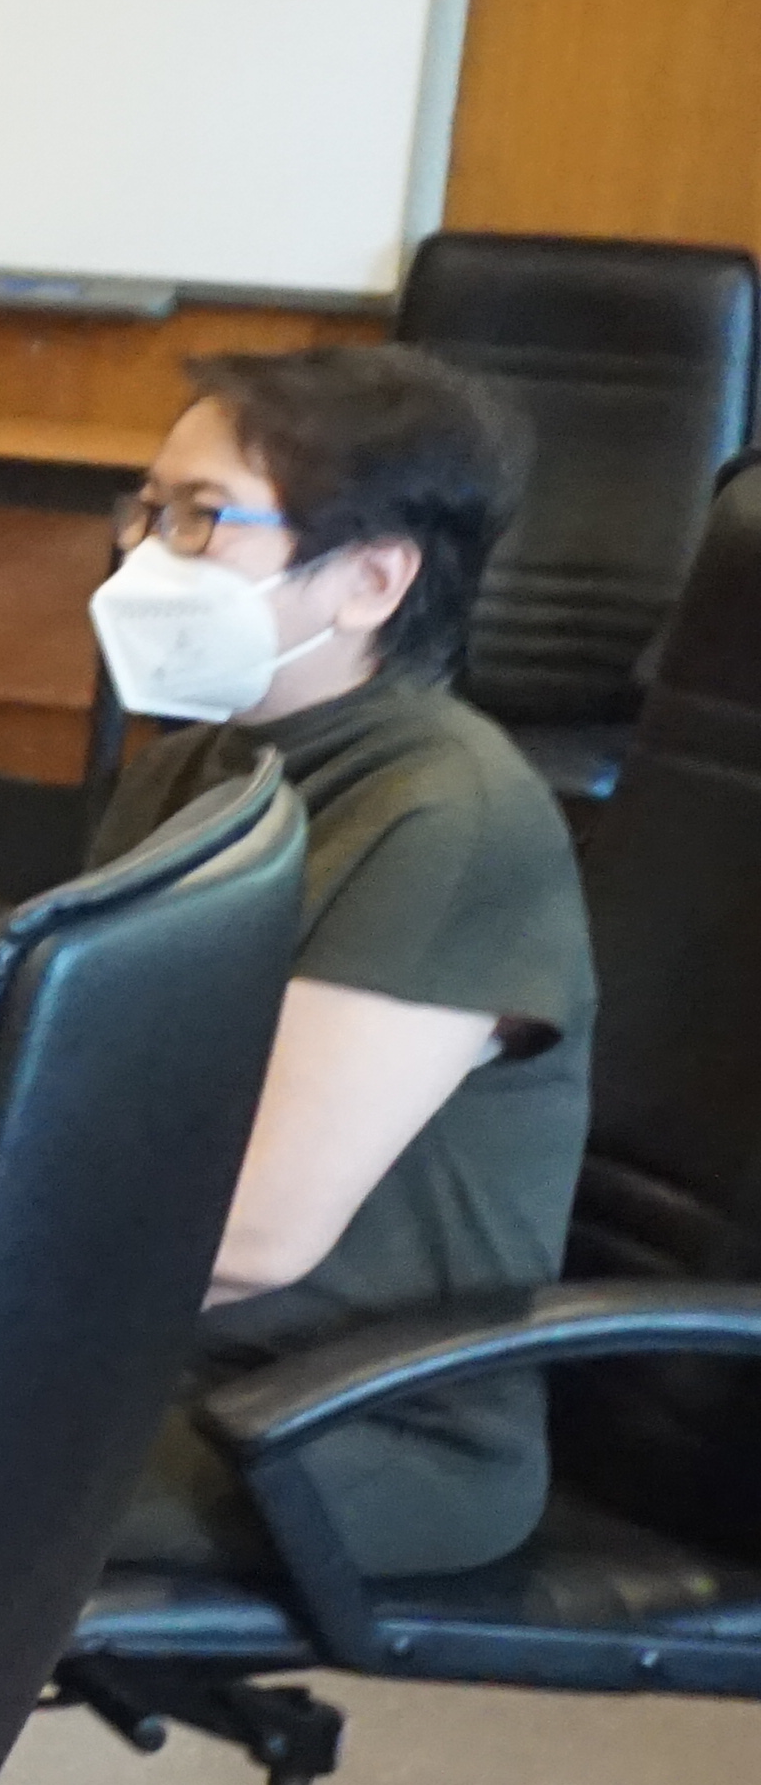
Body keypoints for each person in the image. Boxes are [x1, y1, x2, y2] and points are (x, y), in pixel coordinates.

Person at [79, 348, 584, 1578]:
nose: (149, 553)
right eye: (149, 509)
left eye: (201, 517)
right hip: (168, 1356)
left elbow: (253, 1231)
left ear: (368, 578)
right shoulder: (197, 771)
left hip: (344, 1422)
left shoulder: (448, 813)